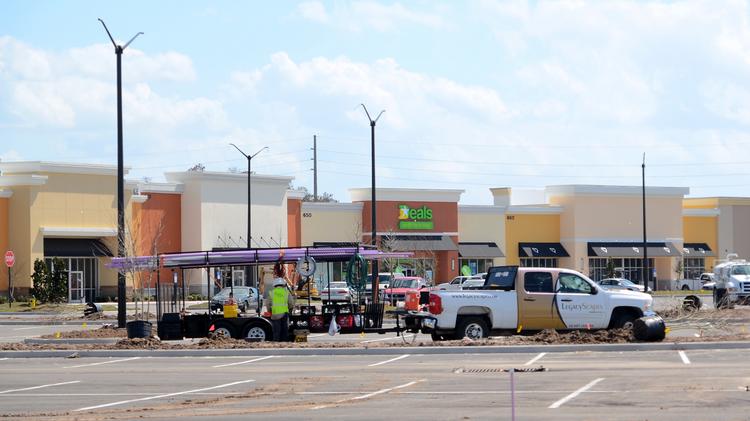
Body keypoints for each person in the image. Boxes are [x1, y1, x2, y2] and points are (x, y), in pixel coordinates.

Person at [270, 262, 295, 341]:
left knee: (276, 331)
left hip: (275, 315)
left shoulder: (272, 293)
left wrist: (270, 310)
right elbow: (291, 303)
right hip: (284, 314)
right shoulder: (286, 292)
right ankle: (284, 343)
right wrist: (290, 309)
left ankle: (276, 343)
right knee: (284, 330)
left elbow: (268, 304)